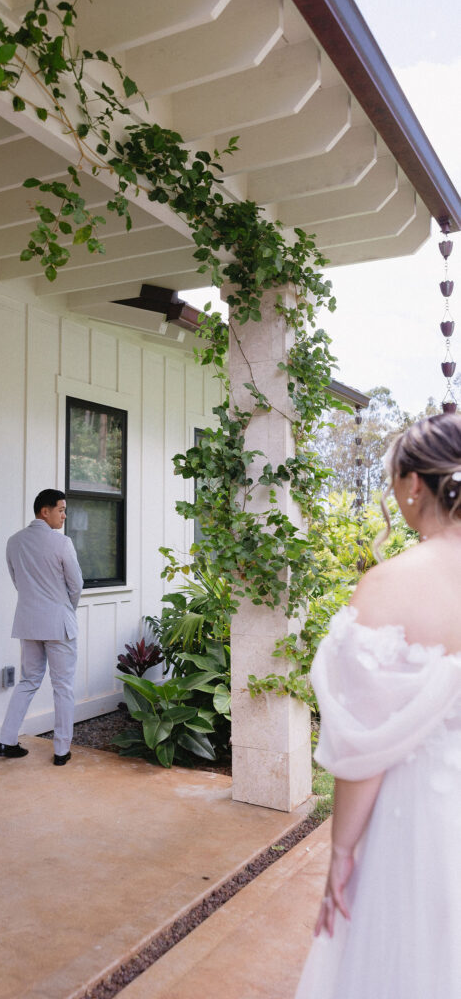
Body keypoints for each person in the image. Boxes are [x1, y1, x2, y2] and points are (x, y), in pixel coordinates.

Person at [295, 414, 461, 998]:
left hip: (425, 822)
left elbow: (364, 744)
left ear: (413, 485)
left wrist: (342, 852)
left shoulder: (395, 584)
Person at [0, 489, 84, 766]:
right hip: (58, 623)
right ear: (44, 511)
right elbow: (76, 585)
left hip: (28, 621)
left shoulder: (14, 542)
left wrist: (37, 603)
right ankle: (61, 751)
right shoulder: (62, 543)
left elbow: (17, 580)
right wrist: (65, 607)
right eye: (61, 510)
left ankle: (6, 741)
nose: (64, 515)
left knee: (28, 681)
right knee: (63, 686)